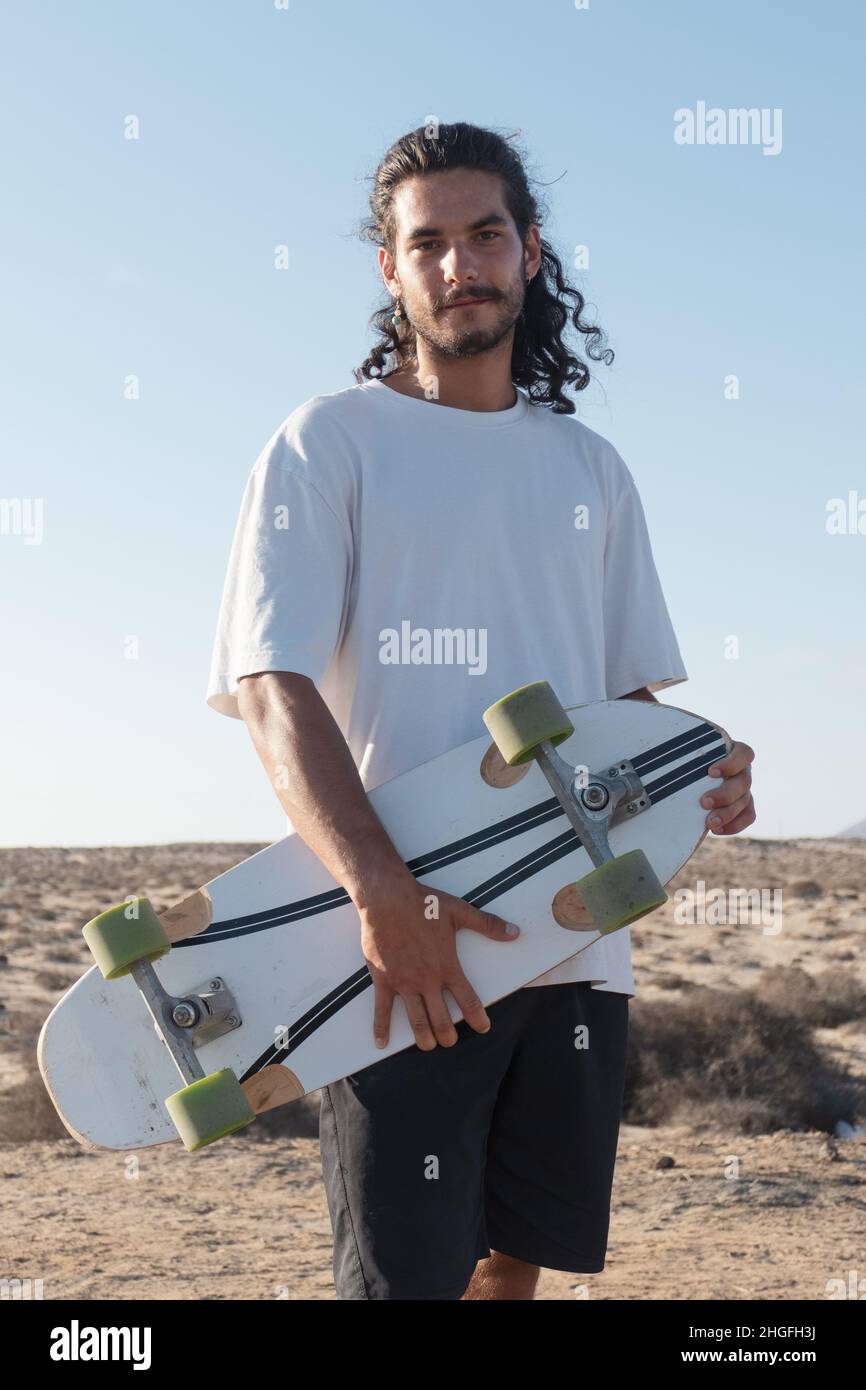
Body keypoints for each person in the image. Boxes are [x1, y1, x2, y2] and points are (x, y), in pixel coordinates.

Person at [206, 122, 756, 1301]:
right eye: (431, 243)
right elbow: (269, 684)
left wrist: (700, 767)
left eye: (486, 235)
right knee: (403, 1282)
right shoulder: (327, 444)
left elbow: (624, 705)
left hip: (576, 939)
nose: (462, 266)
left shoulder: (589, 469)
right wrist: (378, 892)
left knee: (516, 1265)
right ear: (390, 269)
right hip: (409, 949)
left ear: (531, 252)